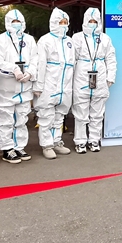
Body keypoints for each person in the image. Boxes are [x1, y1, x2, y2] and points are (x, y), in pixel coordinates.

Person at [0, 9, 38, 164]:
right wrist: (14, 70)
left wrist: (30, 72)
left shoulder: (29, 40)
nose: (16, 24)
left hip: (24, 88)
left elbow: (35, 59)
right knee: (5, 119)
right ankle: (7, 149)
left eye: (19, 21)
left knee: (22, 119)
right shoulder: (0, 40)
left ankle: (19, 146)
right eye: (13, 22)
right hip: (6, 88)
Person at [71, 7, 117, 153]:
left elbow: (111, 58)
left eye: (95, 21)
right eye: (90, 21)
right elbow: (71, 59)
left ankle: (94, 140)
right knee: (80, 111)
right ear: (85, 21)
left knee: (97, 112)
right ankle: (80, 141)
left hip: (100, 76)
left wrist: (111, 76)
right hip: (81, 76)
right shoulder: (77, 38)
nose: (92, 23)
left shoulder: (105, 38)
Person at [35, 8, 75, 159]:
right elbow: (41, 64)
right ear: (53, 23)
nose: (63, 25)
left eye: (65, 22)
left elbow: (73, 64)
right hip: (49, 85)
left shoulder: (69, 41)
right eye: (60, 22)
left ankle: (57, 142)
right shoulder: (45, 40)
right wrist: (39, 85)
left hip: (65, 85)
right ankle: (47, 145)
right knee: (46, 116)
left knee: (59, 117)